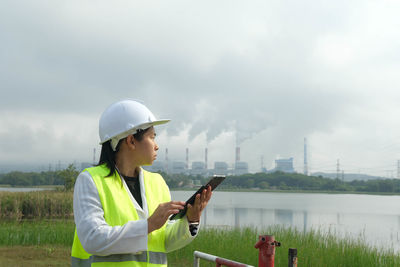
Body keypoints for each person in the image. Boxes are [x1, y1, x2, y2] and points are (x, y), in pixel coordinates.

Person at [71, 99, 212, 266]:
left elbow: (163, 241)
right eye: (152, 137)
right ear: (131, 141)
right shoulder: (90, 180)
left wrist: (191, 220)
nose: (156, 146)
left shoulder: (157, 183)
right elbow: (92, 239)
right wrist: (148, 225)